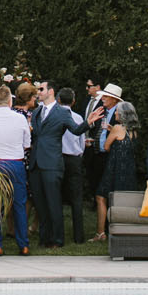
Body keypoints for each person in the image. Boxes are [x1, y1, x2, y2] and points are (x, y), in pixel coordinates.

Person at [31, 78, 96, 248]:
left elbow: (75, 130)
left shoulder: (62, 113)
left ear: (50, 91)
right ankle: (44, 239)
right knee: (40, 204)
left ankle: (57, 240)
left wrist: (88, 123)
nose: (38, 92)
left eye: (41, 89)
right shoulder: (37, 112)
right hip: (36, 163)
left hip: (52, 163)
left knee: (53, 203)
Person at [0, 84, 32, 254]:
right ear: (10, 101)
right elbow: (27, 143)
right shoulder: (20, 119)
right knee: (19, 204)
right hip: (16, 162)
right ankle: (23, 244)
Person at [94, 99, 138, 241]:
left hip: (114, 168)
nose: (116, 113)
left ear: (123, 114)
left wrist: (111, 131)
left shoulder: (117, 128)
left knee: (101, 197)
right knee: (123, 200)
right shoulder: (134, 131)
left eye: (118, 111)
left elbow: (106, 147)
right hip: (128, 170)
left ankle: (101, 233)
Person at [59, 87, 86, 244]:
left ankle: (59, 234)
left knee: (57, 196)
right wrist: (79, 153)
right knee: (76, 198)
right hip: (74, 158)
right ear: (74, 101)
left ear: (58, 100)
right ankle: (78, 236)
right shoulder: (78, 118)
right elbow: (81, 141)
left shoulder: (54, 116)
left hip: (59, 157)